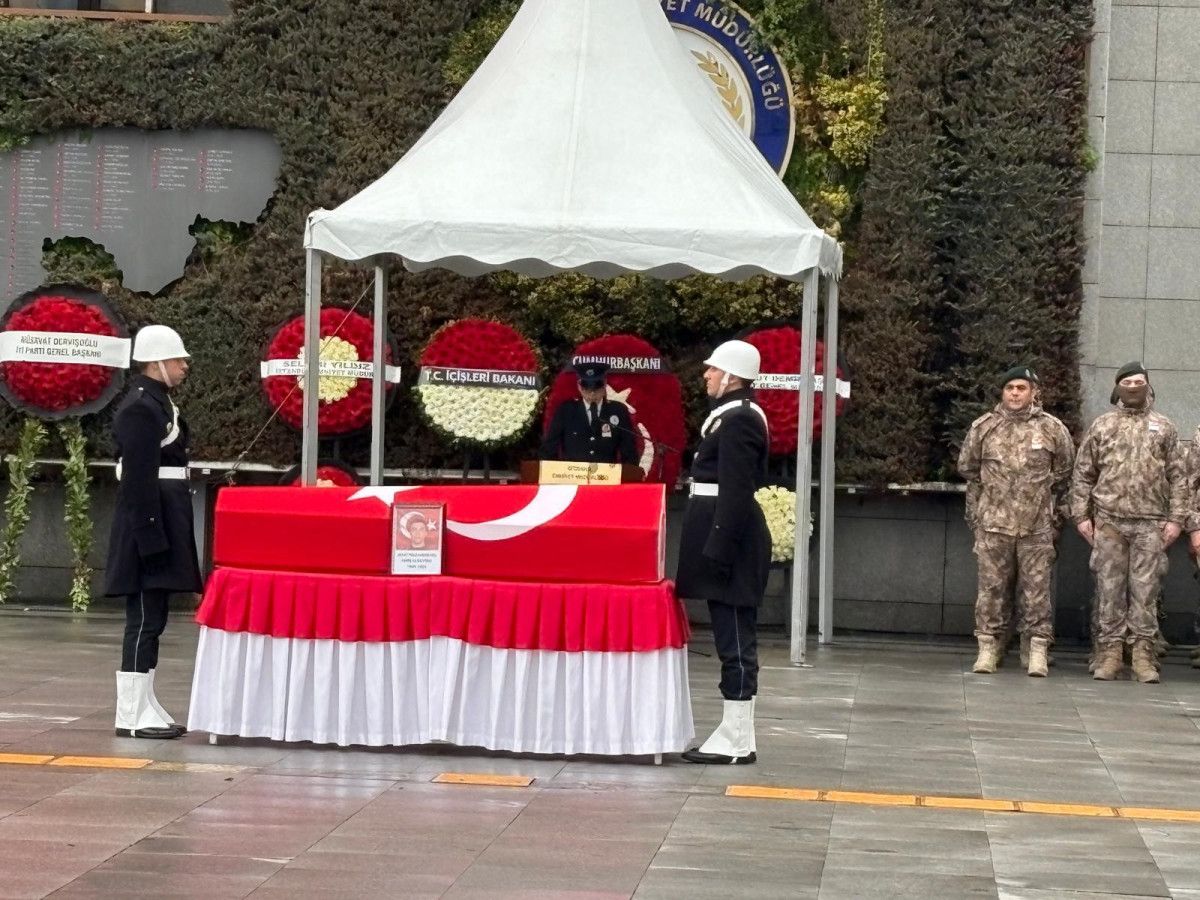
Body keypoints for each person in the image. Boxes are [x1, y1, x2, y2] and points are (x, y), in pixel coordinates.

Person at [106, 325, 203, 738]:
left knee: (155, 619)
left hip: (164, 518)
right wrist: (150, 539)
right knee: (144, 620)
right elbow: (138, 481)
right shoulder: (140, 409)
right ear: (157, 362)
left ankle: (145, 701)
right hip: (149, 526)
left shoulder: (157, 403)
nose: (184, 366)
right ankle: (130, 714)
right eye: (178, 359)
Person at [677, 340, 770, 765]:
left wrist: (718, 551)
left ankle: (735, 739)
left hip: (731, 545)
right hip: (724, 540)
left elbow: (736, 491)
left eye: (713, 369)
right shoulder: (730, 416)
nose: (707, 375)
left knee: (734, 640)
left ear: (731, 376)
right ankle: (738, 737)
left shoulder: (740, 420)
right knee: (731, 638)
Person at [1070, 362, 1187, 683]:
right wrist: (1081, 516)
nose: (1134, 387)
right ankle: (1109, 653)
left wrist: (1177, 520)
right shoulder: (1102, 426)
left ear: (1148, 386)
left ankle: (1143, 656)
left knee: (1145, 593)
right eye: (1127, 382)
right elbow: (1083, 474)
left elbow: (1179, 477)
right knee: (1109, 591)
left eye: (1139, 382)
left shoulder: (1164, 427)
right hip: (1109, 522)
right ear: (1117, 387)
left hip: (1151, 524)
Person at [957, 366, 1074, 677]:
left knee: (1037, 593)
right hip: (993, 526)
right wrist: (978, 517)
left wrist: (1054, 518)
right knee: (991, 590)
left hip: (1036, 528)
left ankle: (1035, 649)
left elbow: (1064, 472)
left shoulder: (1052, 428)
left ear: (1034, 392)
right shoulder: (985, 427)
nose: (1015, 393)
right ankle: (988, 648)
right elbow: (968, 469)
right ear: (1002, 392)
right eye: (1010, 388)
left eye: (1022, 388)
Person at [539, 362, 637, 465]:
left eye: (597, 388)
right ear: (579, 386)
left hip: (607, 474)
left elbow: (629, 453)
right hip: (573, 473)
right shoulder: (566, 410)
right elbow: (549, 449)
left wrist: (628, 473)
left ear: (604, 384)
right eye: (587, 388)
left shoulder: (618, 411)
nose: (592, 393)